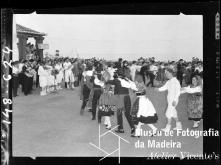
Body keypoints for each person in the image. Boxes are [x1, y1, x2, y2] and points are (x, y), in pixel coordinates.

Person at [130, 73, 158, 137]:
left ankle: (139, 133)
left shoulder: (139, 86)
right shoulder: (141, 85)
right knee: (142, 119)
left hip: (142, 102)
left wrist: (134, 90)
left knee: (141, 118)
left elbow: (140, 94)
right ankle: (138, 133)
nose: (135, 81)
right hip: (143, 102)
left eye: (136, 79)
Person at [155, 68, 182, 132]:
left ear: (171, 73)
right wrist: (158, 89)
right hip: (170, 100)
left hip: (173, 101)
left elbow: (178, 92)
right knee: (173, 113)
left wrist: (175, 100)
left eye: (167, 73)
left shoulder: (176, 81)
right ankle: (179, 126)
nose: (166, 74)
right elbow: (165, 87)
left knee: (168, 113)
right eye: (165, 73)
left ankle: (168, 128)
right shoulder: (169, 81)